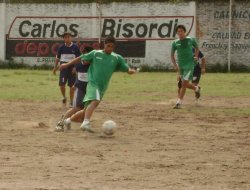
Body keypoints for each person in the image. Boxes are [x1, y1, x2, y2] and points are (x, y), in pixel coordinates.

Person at [60, 36, 136, 132]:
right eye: (108, 46)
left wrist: (130, 71)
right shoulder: (96, 53)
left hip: (102, 87)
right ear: (104, 44)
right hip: (93, 83)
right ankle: (86, 123)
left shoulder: (117, 58)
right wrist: (66, 64)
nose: (110, 48)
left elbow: (126, 68)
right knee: (95, 101)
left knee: (85, 110)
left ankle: (68, 120)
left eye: (112, 47)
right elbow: (81, 58)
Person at [55, 46, 93, 132]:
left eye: (88, 56)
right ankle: (60, 123)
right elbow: (77, 74)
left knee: (86, 110)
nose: (86, 57)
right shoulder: (78, 64)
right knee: (76, 108)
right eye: (84, 55)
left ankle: (72, 122)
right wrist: (75, 84)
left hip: (90, 89)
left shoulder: (93, 64)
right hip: (80, 88)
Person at [171, 25, 201, 109]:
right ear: (177, 33)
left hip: (190, 64)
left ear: (184, 32)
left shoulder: (191, 40)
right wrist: (175, 65)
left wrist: (195, 56)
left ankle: (179, 103)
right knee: (184, 83)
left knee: (184, 84)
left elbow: (197, 48)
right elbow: (172, 55)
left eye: (181, 31)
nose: (180, 33)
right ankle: (196, 88)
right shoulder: (175, 43)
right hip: (181, 66)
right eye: (178, 31)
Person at [53, 32, 81, 106]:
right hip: (63, 69)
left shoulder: (75, 47)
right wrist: (55, 68)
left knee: (72, 86)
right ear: (63, 39)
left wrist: (75, 67)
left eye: (69, 37)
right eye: (65, 37)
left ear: (71, 38)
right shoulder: (61, 47)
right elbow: (57, 58)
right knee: (62, 85)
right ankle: (64, 97)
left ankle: (71, 101)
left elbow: (78, 59)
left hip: (72, 69)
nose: (67, 38)